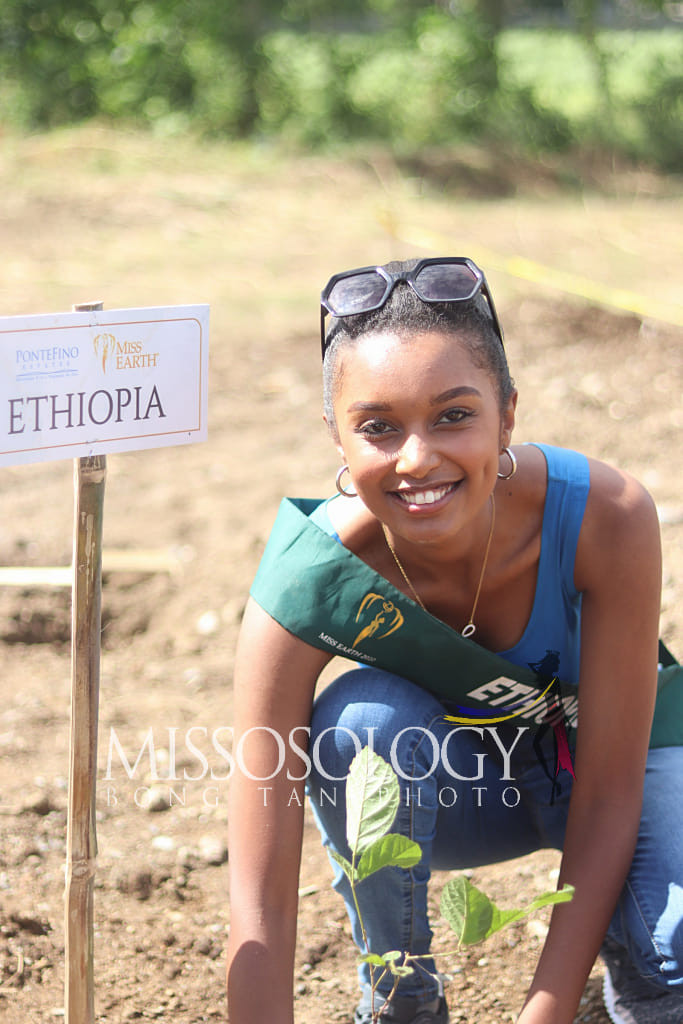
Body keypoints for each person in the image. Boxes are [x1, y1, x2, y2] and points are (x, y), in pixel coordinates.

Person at [226, 257, 683, 1024]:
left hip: (612, 769)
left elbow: (608, 794)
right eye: (377, 427)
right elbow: (260, 893)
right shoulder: (306, 582)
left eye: (452, 416)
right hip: (463, 791)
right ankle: (400, 996)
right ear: (337, 439)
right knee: (363, 726)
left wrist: (542, 1014)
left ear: (506, 414)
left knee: (671, 959)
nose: (417, 459)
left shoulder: (605, 515)